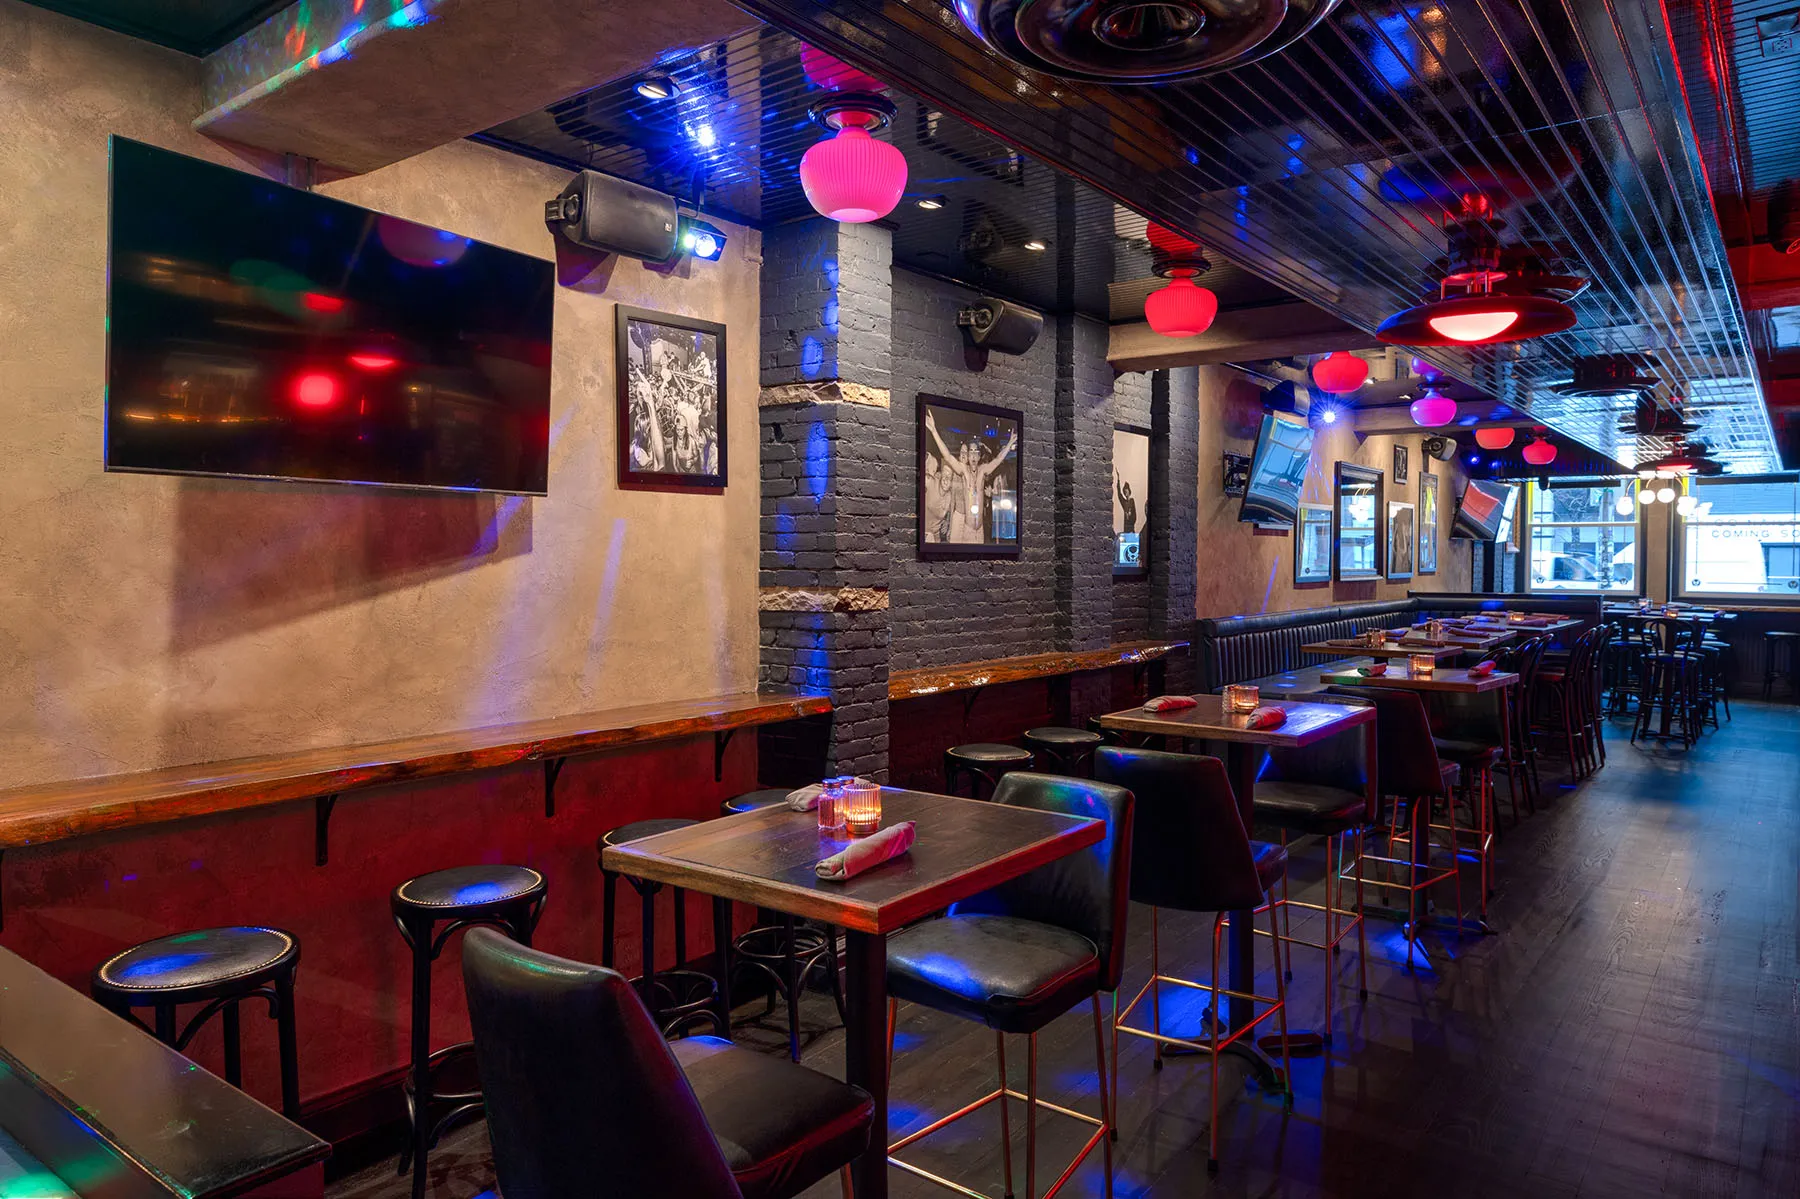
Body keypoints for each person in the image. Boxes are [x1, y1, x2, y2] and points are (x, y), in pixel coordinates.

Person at [925, 408, 1017, 543]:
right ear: (968, 456)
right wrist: (933, 431)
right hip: (967, 528)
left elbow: (997, 460)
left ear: (979, 456)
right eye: (971, 452)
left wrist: (1009, 444)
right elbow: (948, 457)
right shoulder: (963, 470)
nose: (973, 455)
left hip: (980, 530)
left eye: (976, 452)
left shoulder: (984, 469)